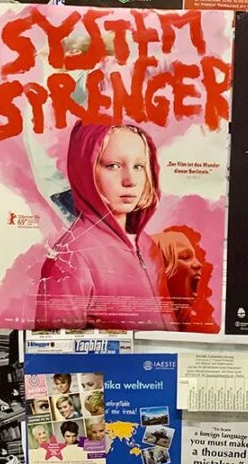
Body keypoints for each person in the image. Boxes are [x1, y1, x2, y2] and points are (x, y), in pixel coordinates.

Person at [36, 122, 178, 330]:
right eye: (113, 166)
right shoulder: (70, 256)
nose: (130, 180)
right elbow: (57, 347)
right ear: (86, 171)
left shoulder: (148, 246)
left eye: (138, 166)